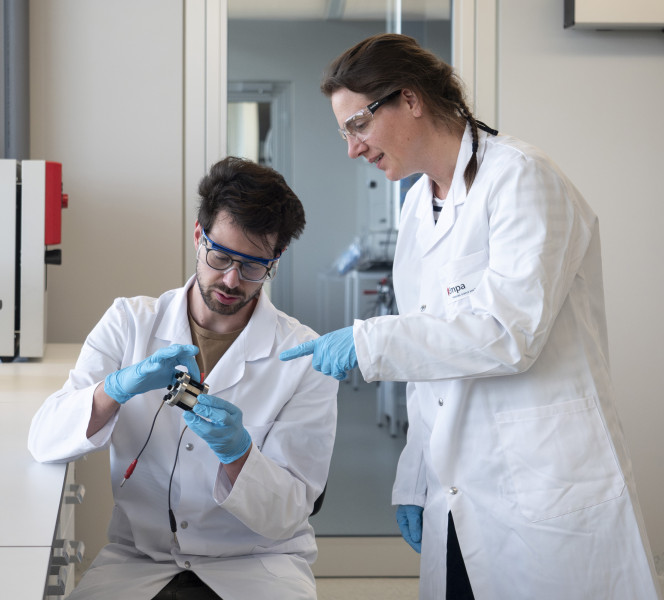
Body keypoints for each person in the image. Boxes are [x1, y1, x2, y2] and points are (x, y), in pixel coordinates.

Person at [280, 33, 662, 599]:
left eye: (357, 124)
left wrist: (368, 343)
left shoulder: (521, 178)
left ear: (408, 99)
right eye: (345, 132)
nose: (352, 148)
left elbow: (508, 333)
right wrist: (414, 475)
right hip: (455, 488)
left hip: (541, 483)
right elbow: (432, 360)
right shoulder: (416, 205)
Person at [29, 156, 338, 600]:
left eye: (253, 266)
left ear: (276, 258)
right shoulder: (128, 323)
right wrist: (114, 390)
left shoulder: (305, 357)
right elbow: (44, 439)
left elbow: (290, 511)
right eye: (221, 256)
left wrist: (238, 454)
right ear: (198, 235)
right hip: (139, 559)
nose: (232, 279)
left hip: (256, 564)